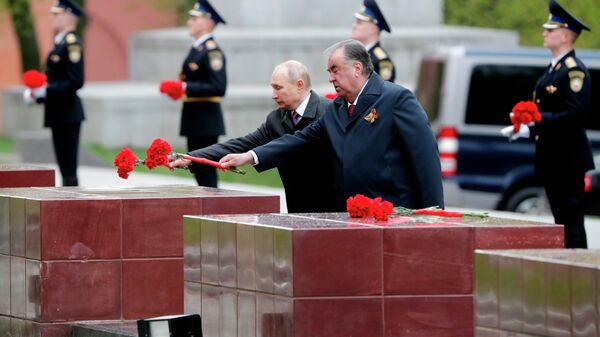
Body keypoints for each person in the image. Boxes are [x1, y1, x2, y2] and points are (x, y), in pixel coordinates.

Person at [218, 40, 444, 210]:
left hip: (394, 214)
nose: (331, 78)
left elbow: (425, 159)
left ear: (357, 68)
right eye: (329, 72)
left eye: (335, 70)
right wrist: (250, 156)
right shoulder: (337, 108)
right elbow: (300, 139)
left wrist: (434, 215)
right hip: (350, 215)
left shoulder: (396, 99)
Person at [170, 61, 339, 213]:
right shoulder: (276, 119)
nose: (273, 94)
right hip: (298, 210)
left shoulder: (330, 111)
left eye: (278, 88)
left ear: (299, 85)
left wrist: (250, 157)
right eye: (272, 88)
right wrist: (193, 157)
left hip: (337, 208)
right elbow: (242, 144)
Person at [533, 0, 593, 248]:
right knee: (561, 221)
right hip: (553, 157)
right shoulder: (553, 70)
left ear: (566, 36)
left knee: (572, 222)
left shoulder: (573, 71)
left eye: (551, 29)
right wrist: (527, 126)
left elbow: (576, 115)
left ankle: (579, 272)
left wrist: (539, 119)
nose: (545, 33)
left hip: (568, 159)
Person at [165, 0, 227, 187]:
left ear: (207, 22)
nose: (189, 22)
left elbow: (219, 87)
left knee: (205, 174)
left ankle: (213, 211)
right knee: (198, 172)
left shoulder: (212, 51)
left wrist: (185, 88)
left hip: (205, 121)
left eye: (194, 18)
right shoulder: (198, 49)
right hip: (194, 119)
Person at [25, 0, 85, 186]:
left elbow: (76, 81)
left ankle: (73, 205)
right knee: (63, 165)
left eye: (57, 14)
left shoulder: (71, 43)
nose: (53, 18)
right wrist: (39, 93)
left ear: (69, 17)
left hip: (68, 113)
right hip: (58, 112)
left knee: (68, 168)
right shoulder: (59, 43)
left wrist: (47, 90)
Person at [351, 0, 396, 82]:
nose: (354, 26)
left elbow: (383, 92)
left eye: (359, 22)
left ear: (373, 28)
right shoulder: (358, 54)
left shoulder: (381, 61)